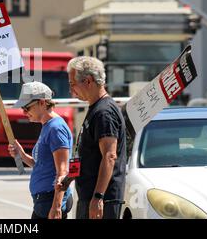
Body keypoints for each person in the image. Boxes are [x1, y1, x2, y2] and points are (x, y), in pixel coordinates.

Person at [67, 56, 126, 219]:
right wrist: (68, 179)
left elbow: (109, 155)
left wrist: (98, 197)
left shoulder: (104, 112)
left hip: (101, 200)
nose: (72, 90)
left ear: (88, 81)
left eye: (73, 84)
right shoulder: (96, 108)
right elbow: (87, 153)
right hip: (90, 197)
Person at [8, 81, 73, 219]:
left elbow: (63, 172)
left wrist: (56, 207)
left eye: (27, 108)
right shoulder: (47, 126)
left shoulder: (56, 128)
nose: (24, 112)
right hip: (45, 200)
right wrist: (22, 154)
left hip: (51, 200)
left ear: (42, 102)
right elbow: (42, 165)